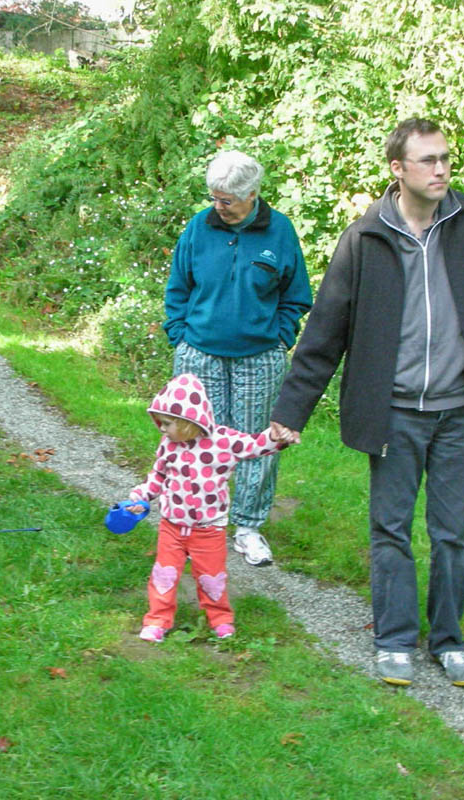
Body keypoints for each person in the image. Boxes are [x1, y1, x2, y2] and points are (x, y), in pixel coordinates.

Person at [269, 118, 464, 687]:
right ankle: (393, 640)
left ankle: (449, 641)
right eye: (428, 160)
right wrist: (291, 412)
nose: (440, 170)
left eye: (445, 159)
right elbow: (325, 332)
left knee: (452, 532)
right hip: (397, 413)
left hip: (463, 413)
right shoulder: (365, 239)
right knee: (391, 529)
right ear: (397, 169)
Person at [164, 151, 312, 567]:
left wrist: (280, 337)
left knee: (254, 443)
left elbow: (296, 295)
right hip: (199, 354)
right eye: (215, 198)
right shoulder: (199, 227)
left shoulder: (279, 231)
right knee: (194, 441)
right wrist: (179, 336)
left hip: (258, 357)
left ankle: (248, 528)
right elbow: (178, 286)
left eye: (227, 200)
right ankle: (197, 523)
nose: (219, 207)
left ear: (252, 195)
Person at [118, 374, 291, 643]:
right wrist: (139, 497)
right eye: (160, 423)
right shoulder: (168, 445)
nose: (161, 429)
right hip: (172, 526)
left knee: (212, 577)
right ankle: (157, 620)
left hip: (209, 529)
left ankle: (220, 619)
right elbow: (158, 476)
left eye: (167, 423)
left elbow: (254, 445)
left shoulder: (223, 441)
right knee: (164, 575)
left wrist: (276, 436)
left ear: (189, 421)